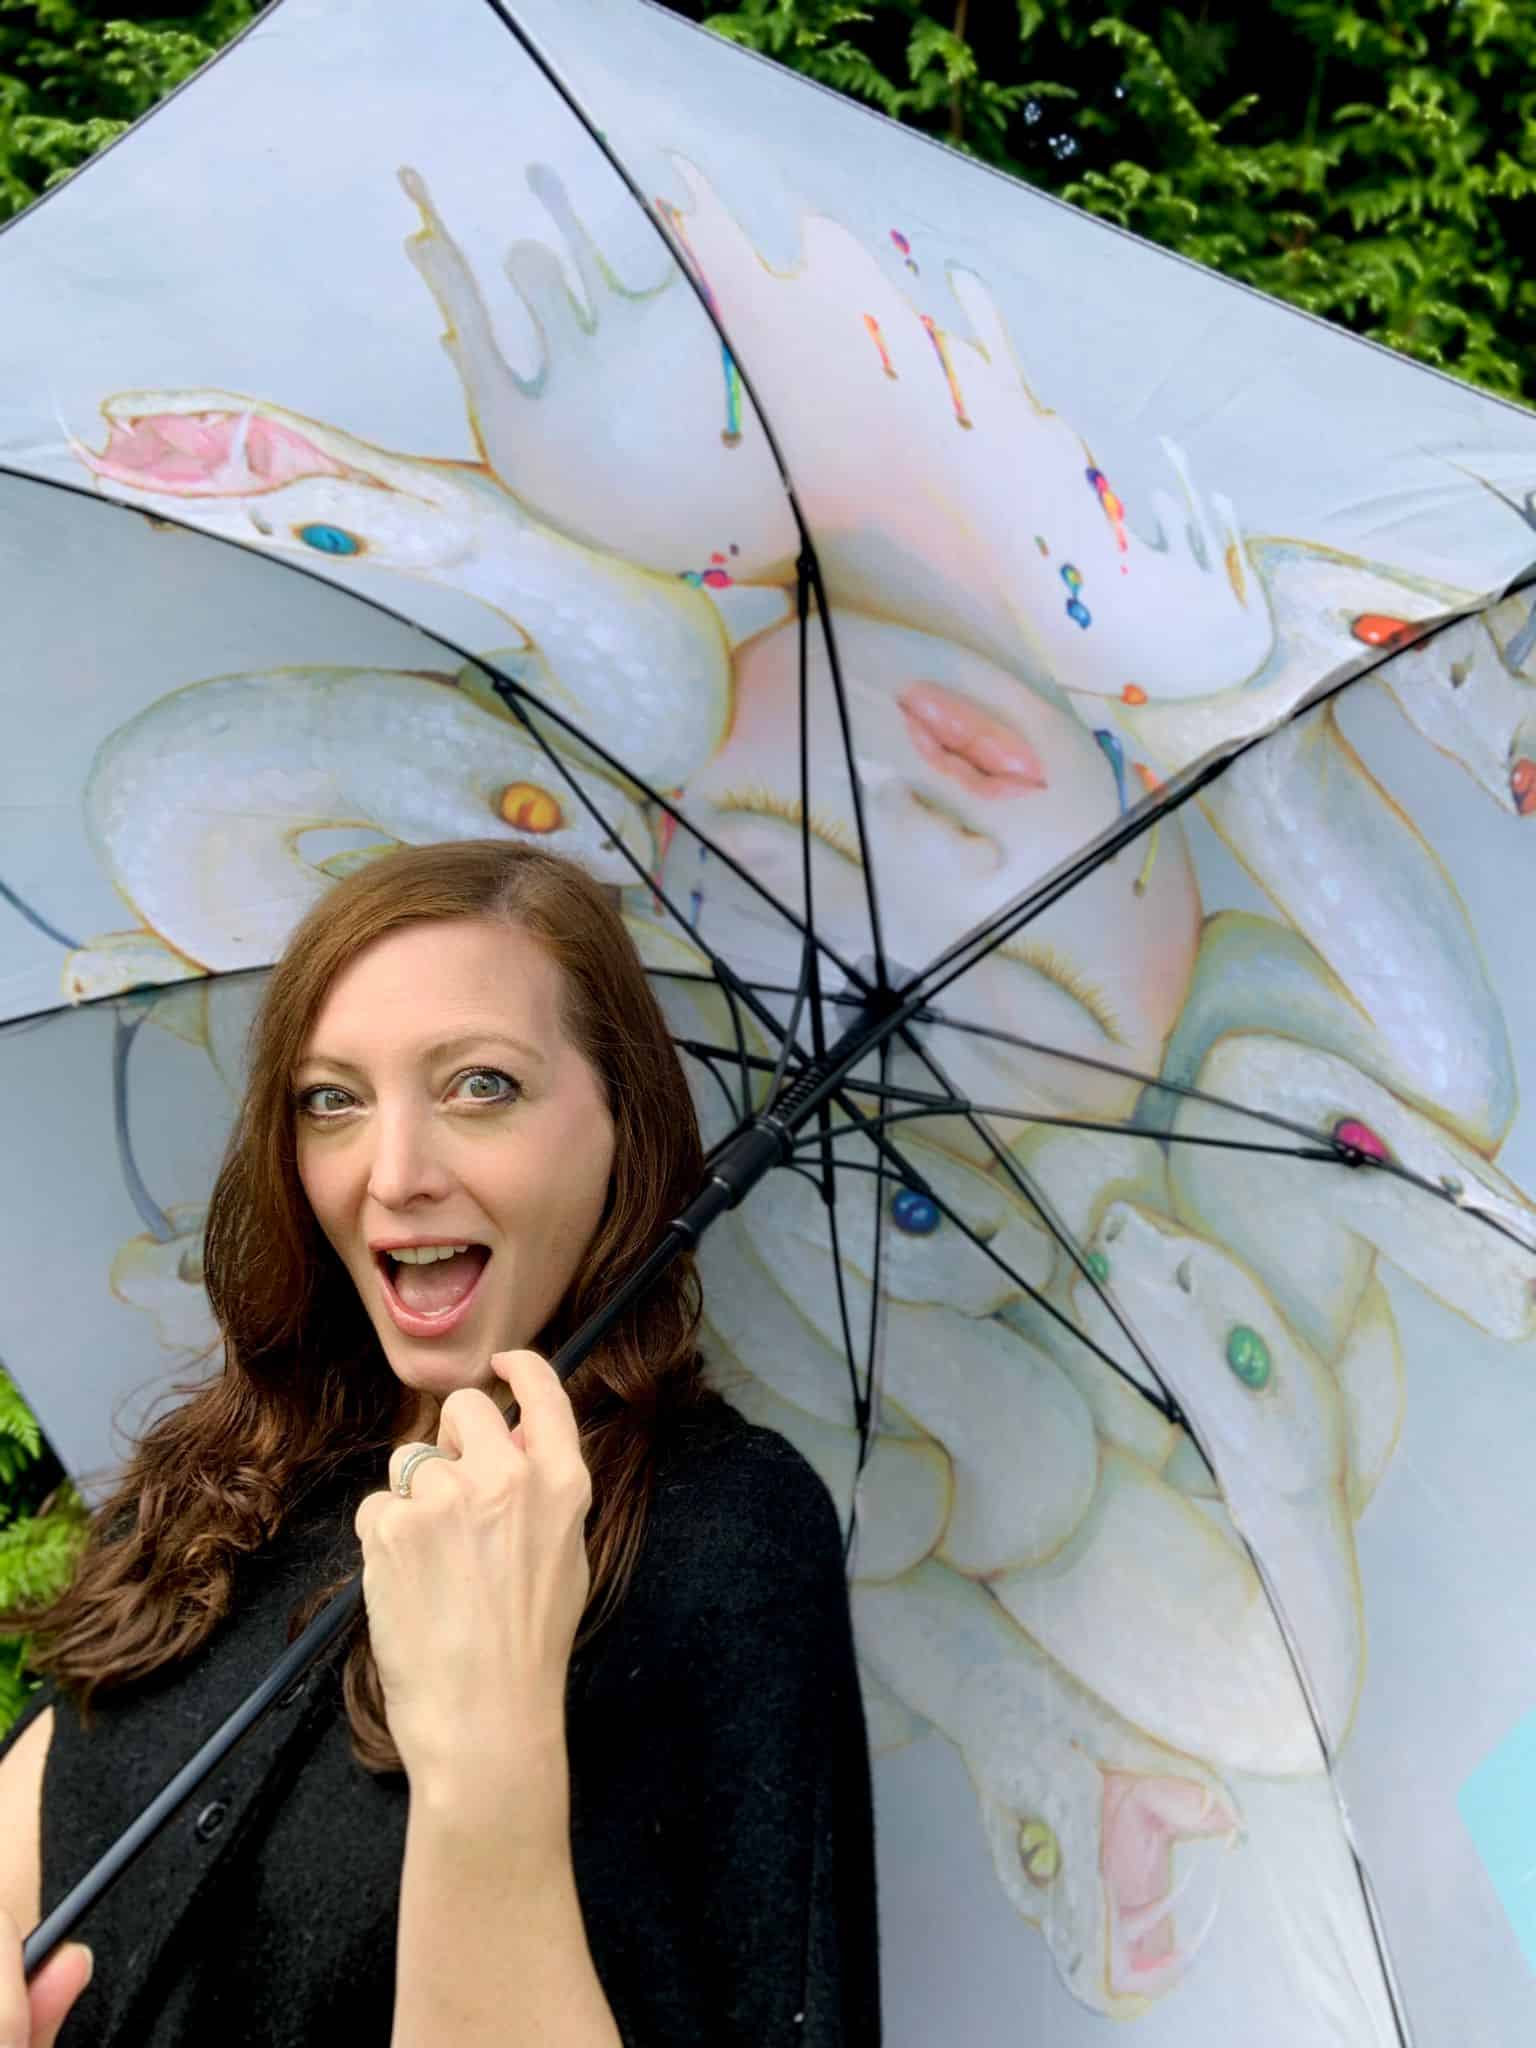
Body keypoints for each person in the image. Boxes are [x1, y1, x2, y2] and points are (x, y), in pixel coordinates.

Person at [0, 839, 880, 2046]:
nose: (393, 1172)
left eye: (480, 1085)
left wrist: (487, 1747)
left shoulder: (728, 1535)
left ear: (621, 1122)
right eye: (332, 1098)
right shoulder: (222, 1477)